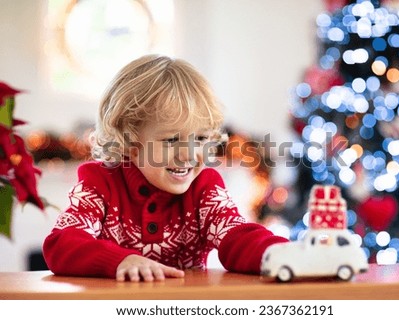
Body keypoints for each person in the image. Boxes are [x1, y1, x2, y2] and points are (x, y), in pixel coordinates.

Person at [42, 54, 289, 282]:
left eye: (201, 139)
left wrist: (282, 253)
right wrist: (119, 261)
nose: (189, 154)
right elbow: (62, 243)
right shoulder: (100, 184)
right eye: (171, 140)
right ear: (129, 142)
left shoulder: (204, 188)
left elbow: (238, 236)